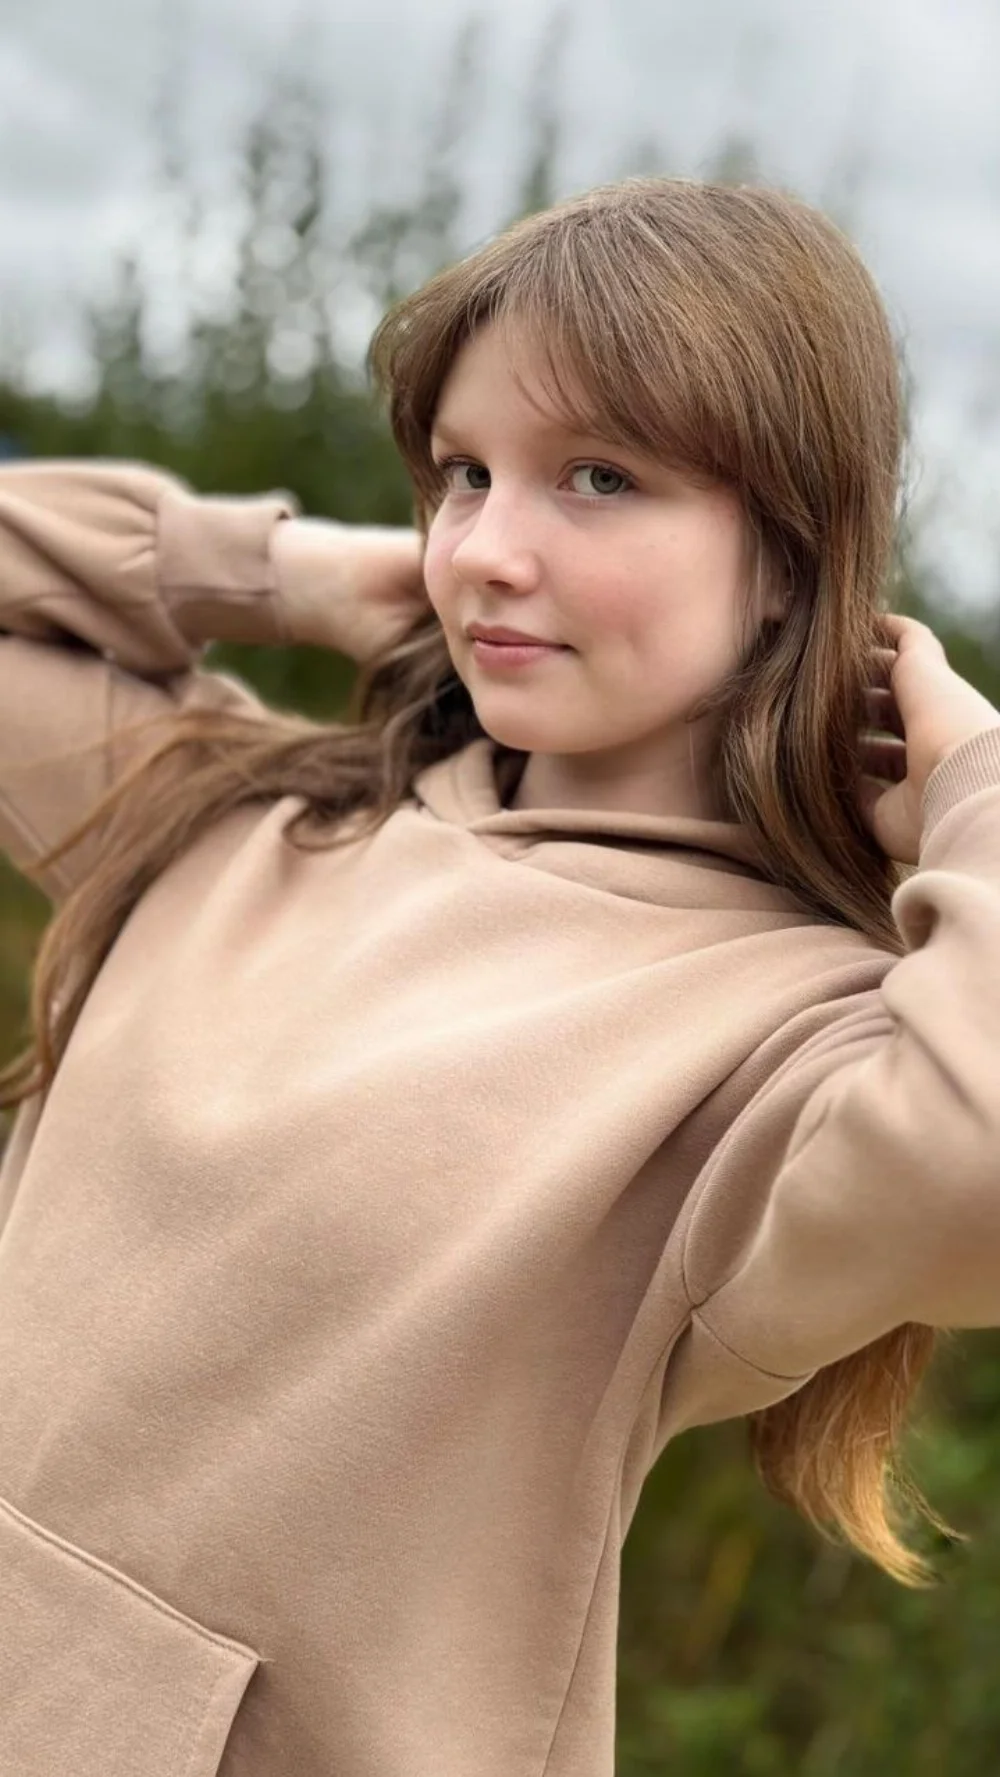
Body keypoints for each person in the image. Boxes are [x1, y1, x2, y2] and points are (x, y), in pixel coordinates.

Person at [0, 175, 998, 1777]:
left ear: (791, 557)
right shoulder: (238, 818)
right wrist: (290, 571)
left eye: (599, 477)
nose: (484, 552)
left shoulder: (782, 1047)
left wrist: (972, 787)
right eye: (463, 473)